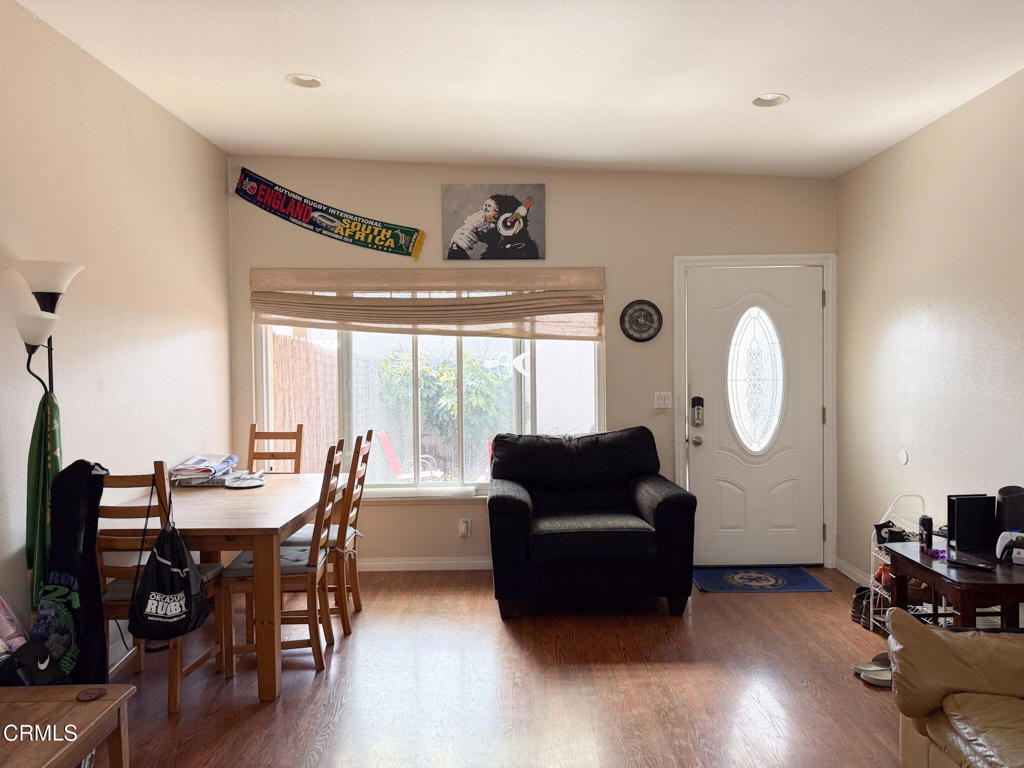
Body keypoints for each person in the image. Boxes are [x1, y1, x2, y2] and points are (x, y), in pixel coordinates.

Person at [447, 193, 540, 259]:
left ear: (508, 224)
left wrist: (456, 251)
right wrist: (455, 248)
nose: (477, 216)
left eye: (487, 210)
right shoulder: (496, 252)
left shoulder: (521, 252)